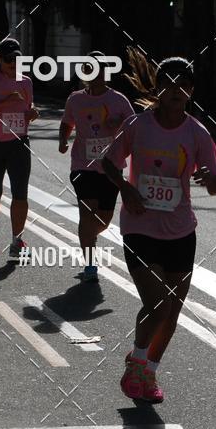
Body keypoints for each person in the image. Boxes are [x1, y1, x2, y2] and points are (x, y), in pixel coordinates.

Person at [102, 50, 216, 402]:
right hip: (140, 227)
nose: (175, 91)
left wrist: (209, 179)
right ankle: (137, 362)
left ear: (191, 91)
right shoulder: (138, 126)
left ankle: (149, 372)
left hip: (181, 231)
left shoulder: (197, 133)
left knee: (172, 311)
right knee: (158, 304)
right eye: (169, 84)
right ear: (158, 89)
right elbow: (109, 163)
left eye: (183, 85)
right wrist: (125, 187)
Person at [59, 51, 134, 282]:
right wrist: (63, 140)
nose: (96, 74)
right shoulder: (75, 99)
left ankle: (88, 236)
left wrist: (119, 123)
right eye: (90, 69)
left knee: (103, 218)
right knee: (87, 212)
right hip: (82, 165)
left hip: (111, 166)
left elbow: (134, 128)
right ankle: (90, 265)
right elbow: (67, 122)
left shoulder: (119, 100)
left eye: (101, 69)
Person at [0, 38, 38, 260]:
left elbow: (27, 108)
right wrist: (6, 100)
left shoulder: (26, 82)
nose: (13, 63)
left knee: (20, 193)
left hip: (19, 143)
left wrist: (32, 113)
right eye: (9, 59)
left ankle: (17, 239)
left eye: (17, 59)